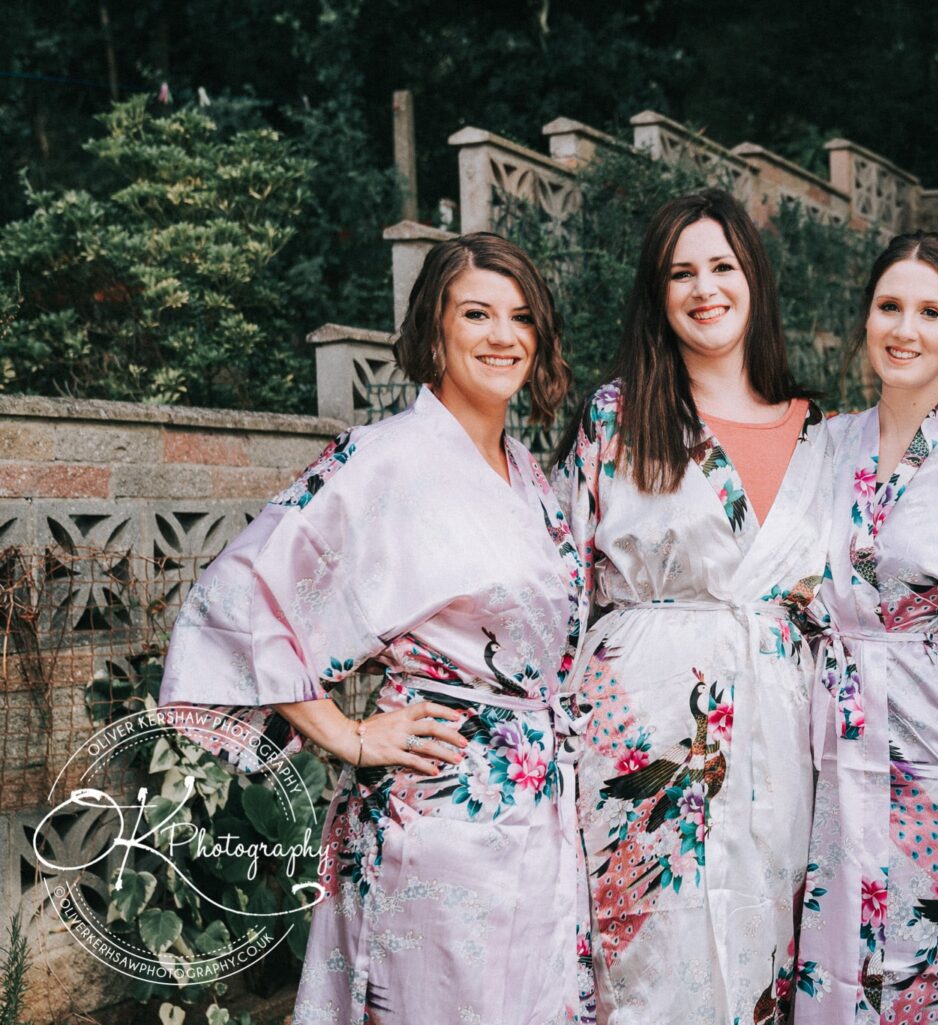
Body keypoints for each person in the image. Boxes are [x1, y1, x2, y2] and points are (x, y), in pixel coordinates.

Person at [160, 233, 595, 1025]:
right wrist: (348, 734)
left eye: (522, 317)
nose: (504, 335)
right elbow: (245, 594)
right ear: (435, 328)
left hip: (537, 822)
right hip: (438, 820)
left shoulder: (527, 473)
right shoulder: (385, 458)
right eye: (477, 313)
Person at [555, 188, 837, 1023]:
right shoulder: (618, 415)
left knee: (762, 943)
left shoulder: (821, 431)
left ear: (753, 278)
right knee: (644, 953)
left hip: (779, 741)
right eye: (681, 272)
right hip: (638, 732)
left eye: (722, 265)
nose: (704, 287)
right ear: (658, 294)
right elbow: (560, 582)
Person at [794, 231, 938, 1025]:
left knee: (934, 957)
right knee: (830, 955)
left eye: (930, 311)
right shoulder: (822, 445)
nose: (905, 329)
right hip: (828, 746)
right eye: (889, 306)